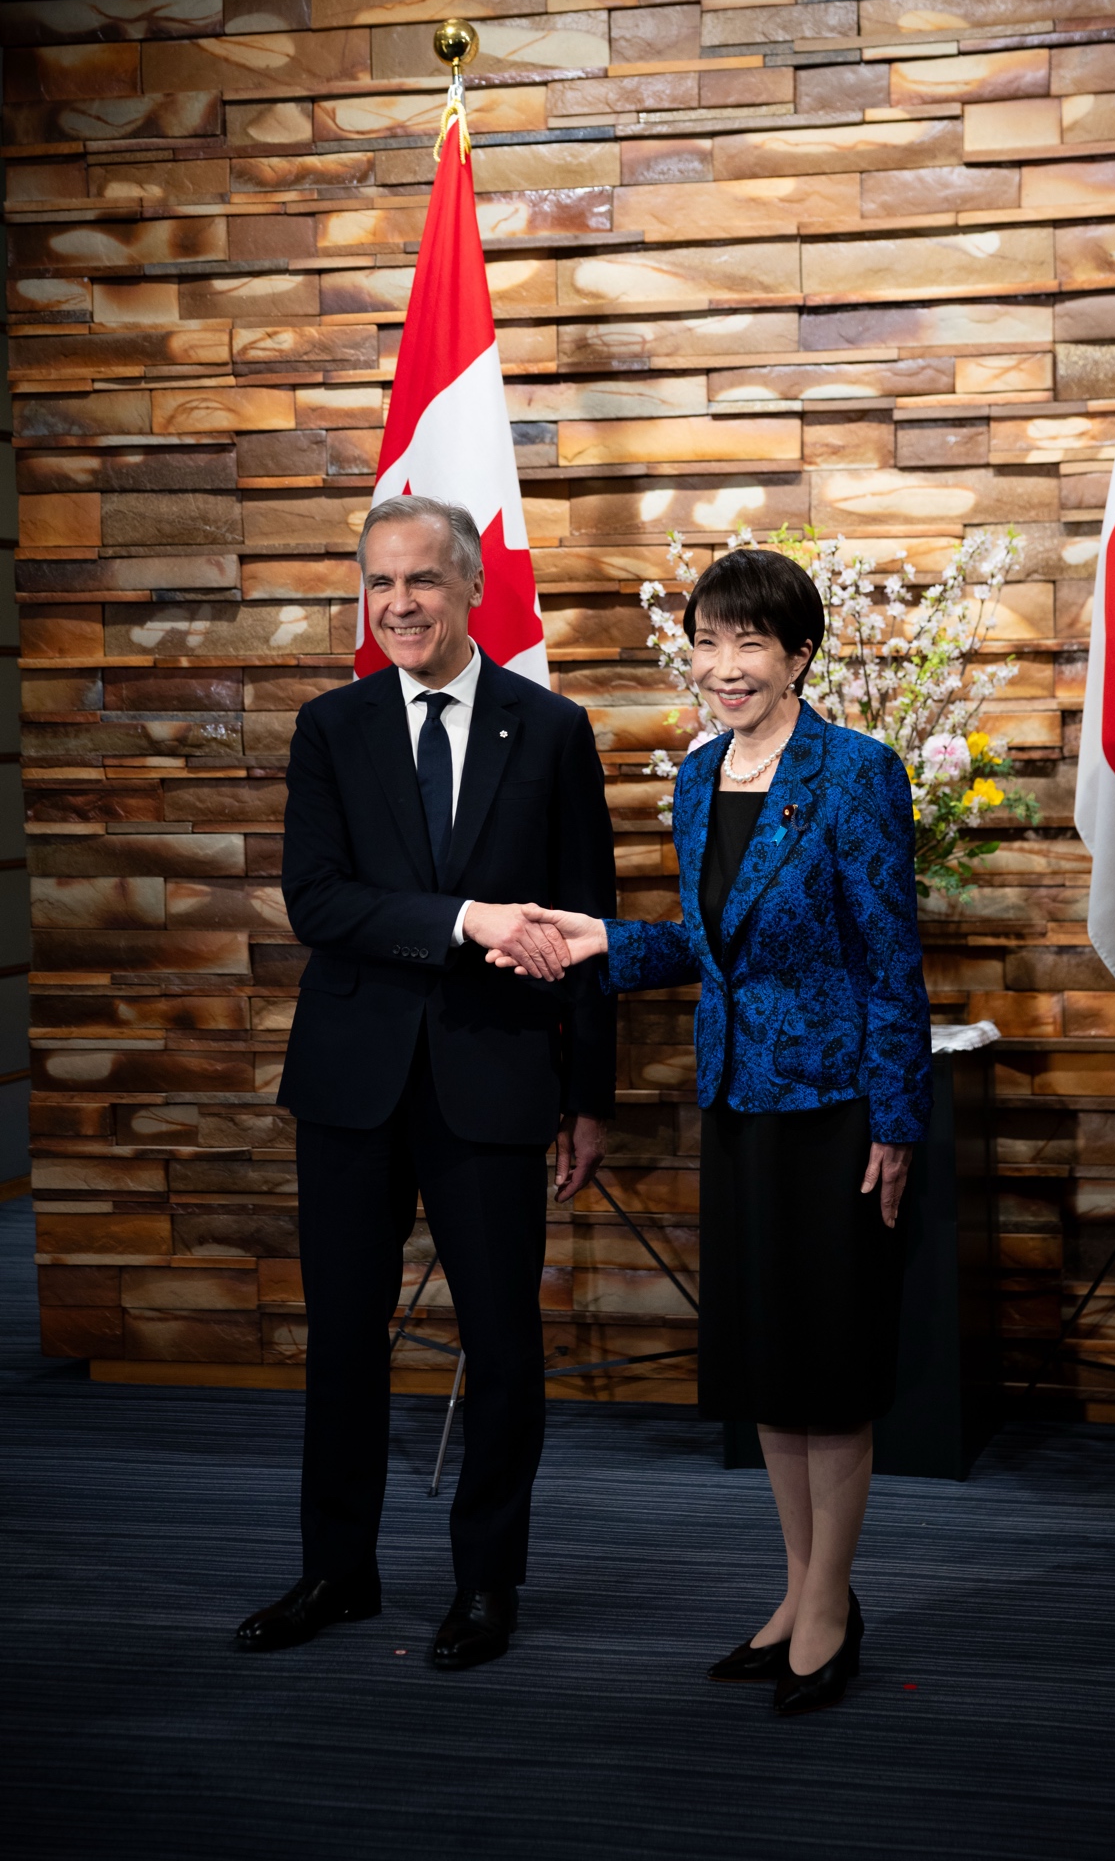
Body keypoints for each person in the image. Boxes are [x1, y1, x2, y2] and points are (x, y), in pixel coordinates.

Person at [489, 546, 932, 1716]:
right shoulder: (697, 777)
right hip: (736, 1104)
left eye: (750, 642)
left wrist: (898, 1119)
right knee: (770, 1370)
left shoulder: (855, 771)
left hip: (835, 1111)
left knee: (830, 1371)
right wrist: (600, 942)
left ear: (798, 655)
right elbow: (711, 942)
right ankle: (796, 1589)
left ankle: (829, 1605)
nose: (725, 665)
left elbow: (891, 960)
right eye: (708, 641)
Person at [235, 495, 616, 1671]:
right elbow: (318, 901)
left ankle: (486, 1581)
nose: (398, 603)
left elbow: (589, 921)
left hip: (494, 1078)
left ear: (471, 589)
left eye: (422, 580)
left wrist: (590, 1095)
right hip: (352, 1082)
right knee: (343, 1340)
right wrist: (465, 918)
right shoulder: (330, 726)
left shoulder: (549, 729)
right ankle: (336, 1569)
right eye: (380, 581)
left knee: (501, 1344)